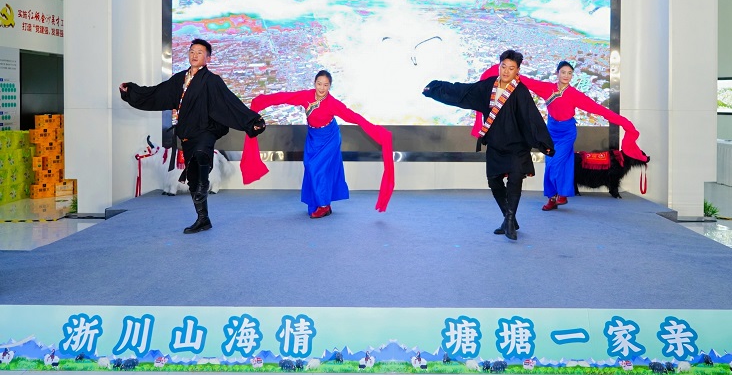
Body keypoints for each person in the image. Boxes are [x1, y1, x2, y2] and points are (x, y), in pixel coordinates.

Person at [120, 38, 267, 234]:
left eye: (200, 52)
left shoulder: (212, 81)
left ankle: (203, 186)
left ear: (208, 58)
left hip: (206, 131)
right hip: (187, 134)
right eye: (192, 51)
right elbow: (156, 93)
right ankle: (203, 218)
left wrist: (252, 120)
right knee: (193, 177)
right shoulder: (179, 79)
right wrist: (131, 91)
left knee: (201, 156)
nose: (195, 55)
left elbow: (230, 103)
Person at [474, 60, 647, 212]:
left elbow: (599, 109)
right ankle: (553, 198)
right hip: (550, 133)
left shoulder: (575, 94)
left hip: (567, 134)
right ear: (557, 73)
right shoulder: (547, 88)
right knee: (550, 165)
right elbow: (523, 79)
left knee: (557, 163)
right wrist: (500, 68)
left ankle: (560, 195)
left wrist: (624, 122)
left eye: (569, 73)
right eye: (563, 72)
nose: (566, 75)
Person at [423, 49, 554, 240]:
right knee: (494, 181)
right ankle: (508, 219)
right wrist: (436, 89)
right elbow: (463, 92)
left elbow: (532, 118)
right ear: (499, 66)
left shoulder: (521, 91)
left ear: (517, 70)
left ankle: (510, 221)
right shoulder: (488, 86)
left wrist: (544, 143)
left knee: (515, 181)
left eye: (511, 68)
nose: (506, 71)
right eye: (503, 66)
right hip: (495, 143)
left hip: (517, 147)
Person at [240, 70, 394, 217]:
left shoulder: (333, 103)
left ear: (329, 86)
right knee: (310, 166)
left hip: (330, 138)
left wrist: (377, 131)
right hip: (313, 137)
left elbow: (353, 116)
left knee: (316, 168)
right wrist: (261, 101)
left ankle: (324, 205)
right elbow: (285, 97)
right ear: (314, 83)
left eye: (326, 85)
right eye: (319, 84)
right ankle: (323, 201)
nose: (322, 88)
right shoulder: (306, 96)